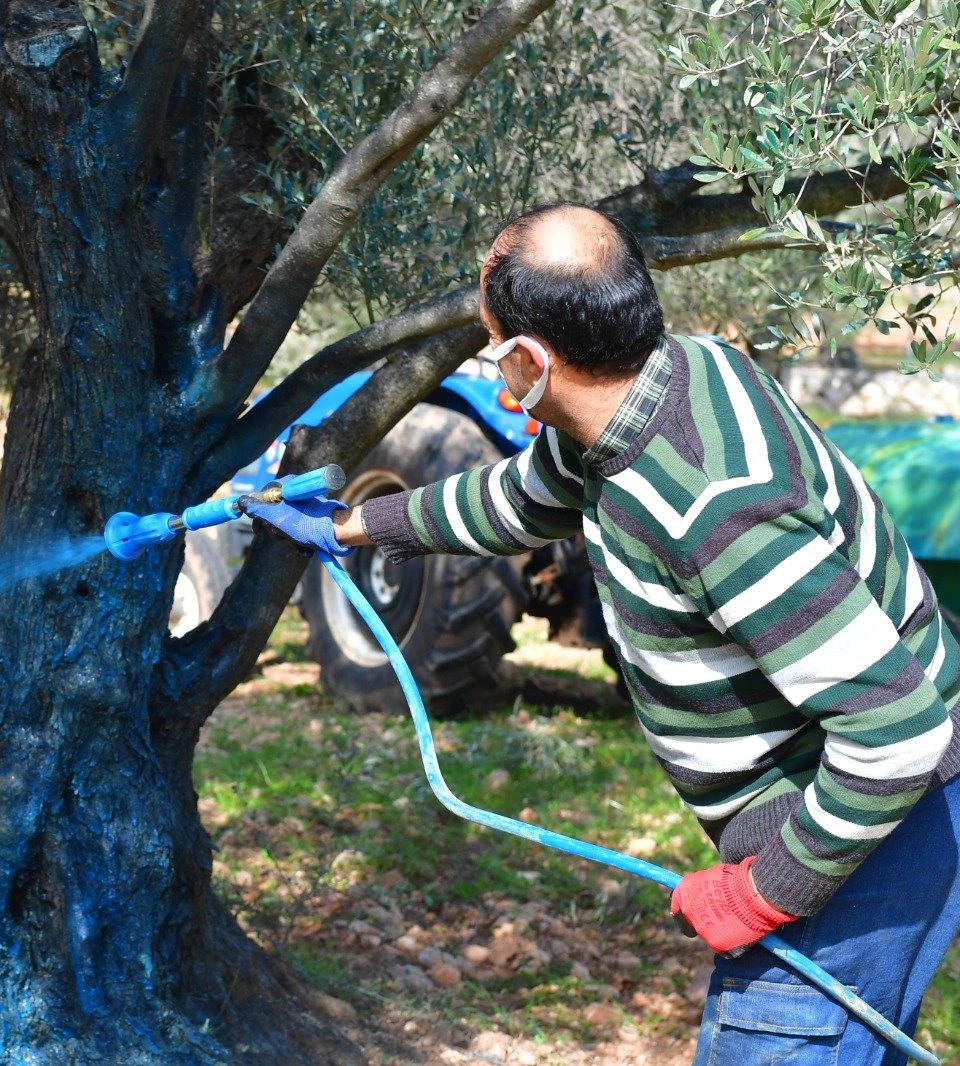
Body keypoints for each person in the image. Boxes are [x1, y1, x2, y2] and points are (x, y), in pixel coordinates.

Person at [247, 202, 960, 1064]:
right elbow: (516, 499)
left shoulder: (711, 508)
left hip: (868, 826)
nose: (488, 353)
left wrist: (770, 890)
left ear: (529, 362)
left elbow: (895, 733)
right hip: (867, 807)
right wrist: (357, 526)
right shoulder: (661, 385)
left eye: (489, 336)